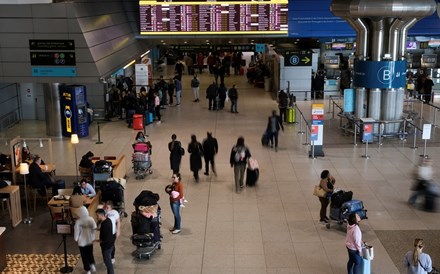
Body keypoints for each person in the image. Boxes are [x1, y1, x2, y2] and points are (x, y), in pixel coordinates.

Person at [74, 206, 97, 274]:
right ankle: (92, 265)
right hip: (90, 240)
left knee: (84, 256)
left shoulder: (78, 222)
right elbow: (94, 228)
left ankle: (88, 270)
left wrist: (76, 239)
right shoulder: (91, 219)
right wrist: (93, 236)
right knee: (90, 253)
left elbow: (76, 232)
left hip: (82, 242)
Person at [95, 208, 115, 274]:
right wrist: (97, 229)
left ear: (102, 215)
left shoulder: (105, 224)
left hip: (106, 247)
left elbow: (104, 239)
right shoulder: (107, 220)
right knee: (108, 263)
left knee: (108, 263)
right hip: (111, 245)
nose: (97, 217)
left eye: (97, 216)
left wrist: (95, 241)